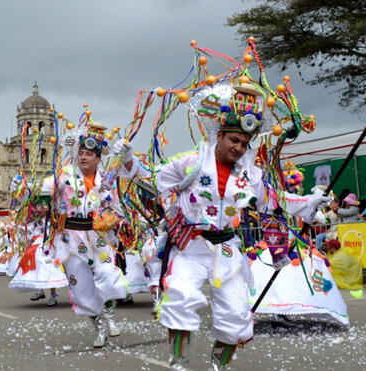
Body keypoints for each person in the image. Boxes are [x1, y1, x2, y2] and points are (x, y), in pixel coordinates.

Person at [155, 84, 331, 369]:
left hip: (226, 249)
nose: (238, 147)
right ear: (220, 135)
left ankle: (218, 366)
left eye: (244, 143)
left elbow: (272, 201)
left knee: (237, 317)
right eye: (234, 140)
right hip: (191, 246)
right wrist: (174, 215)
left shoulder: (249, 175)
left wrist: (310, 200)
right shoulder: (190, 162)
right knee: (180, 298)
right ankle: (179, 363)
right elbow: (160, 181)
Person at [48, 121, 137, 348]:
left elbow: (117, 208)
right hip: (71, 237)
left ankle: (110, 317)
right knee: (81, 290)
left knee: (109, 276)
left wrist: (115, 221)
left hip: (98, 237)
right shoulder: (64, 176)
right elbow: (44, 195)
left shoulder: (107, 181)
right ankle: (99, 328)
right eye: (81, 153)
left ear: (98, 159)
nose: (84, 158)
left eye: (89, 154)